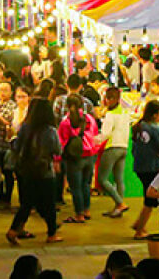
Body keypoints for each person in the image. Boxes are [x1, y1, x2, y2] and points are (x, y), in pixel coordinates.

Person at [7, 98, 62, 245]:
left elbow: (17, 146)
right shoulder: (50, 131)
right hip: (45, 171)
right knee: (49, 204)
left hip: (26, 170)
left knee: (26, 203)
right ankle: (52, 234)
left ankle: (13, 230)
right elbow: (57, 149)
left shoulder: (24, 127)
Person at [59, 93, 99, 224]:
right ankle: (86, 210)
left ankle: (79, 214)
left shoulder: (66, 122)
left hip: (74, 158)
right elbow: (95, 134)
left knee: (75, 187)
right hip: (90, 155)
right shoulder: (90, 119)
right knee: (86, 184)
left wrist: (57, 158)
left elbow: (62, 142)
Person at [130, 100, 159, 239]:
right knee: (150, 199)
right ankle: (139, 230)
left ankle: (138, 223)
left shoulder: (139, 127)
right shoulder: (155, 130)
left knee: (148, 195)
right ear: (155, 114)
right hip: (151, 167)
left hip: (139, 166)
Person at [96, 86, 131, 218]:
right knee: (119, 179)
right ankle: (118, 208)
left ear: (109, 99)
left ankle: (120, 203)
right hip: (123, 147)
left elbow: (105, 134)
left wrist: (93, 140)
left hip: (112, 148)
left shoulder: (110, 115)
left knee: (102, 179)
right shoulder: (125, 112)